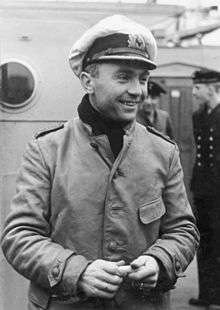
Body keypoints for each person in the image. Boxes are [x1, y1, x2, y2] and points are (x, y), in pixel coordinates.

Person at [1, 15, 199, 310]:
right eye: (124, 77)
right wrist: (76, 272)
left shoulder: (162, 151)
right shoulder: (48, 150)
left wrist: (161, 259)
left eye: (143, 79)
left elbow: (183, 230)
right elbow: (19, 236)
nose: (137, 91)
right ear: (87, 81)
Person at [189, 69, 220, 309]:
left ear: (212, 87)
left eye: (198, 87)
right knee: (206, 241)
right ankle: (207, 295)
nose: (194, 92)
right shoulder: (198, 115)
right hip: (203, 190)